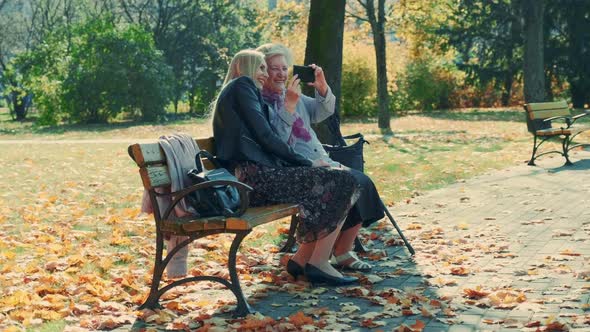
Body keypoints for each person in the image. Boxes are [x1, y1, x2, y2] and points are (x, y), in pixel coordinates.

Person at [212, 49, 361, 286]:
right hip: (251, 180)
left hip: (259, 175)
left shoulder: (247, 92)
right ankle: (318, 263)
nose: (265, 74)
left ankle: (303, 259)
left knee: (339, 178)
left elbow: (270, 138)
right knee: (342, 180)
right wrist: (309, 163)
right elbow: (267, 137)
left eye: (266, 68)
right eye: (261, 68)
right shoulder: (242, 85)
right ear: (244, 68)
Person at [256, 43, 385, 271]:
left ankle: (342, 251)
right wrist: (289, 106)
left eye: (284, 68)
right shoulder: (261, 102)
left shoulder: (292, 95)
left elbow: (323, 111)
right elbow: (276, 140)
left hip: (322, 161)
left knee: (363, 183)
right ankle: (326, 256)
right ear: (262, 72)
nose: (280, 74)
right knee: (350, 183)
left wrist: (323, 88)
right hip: (298, 169)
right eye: (273, 68)